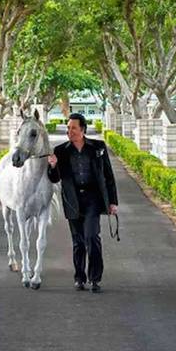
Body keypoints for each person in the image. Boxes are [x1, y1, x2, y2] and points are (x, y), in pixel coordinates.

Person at [47, 113, 118, 293]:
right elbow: (54, 179)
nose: (69, 131)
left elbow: (109, 177)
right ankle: (80, 277)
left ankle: (95, 278)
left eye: (73, 128)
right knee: (78, 240)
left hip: (93, 197)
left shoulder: (98, 147)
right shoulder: (61, 150)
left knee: (92, 236)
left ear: (83, 129)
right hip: (72, 199)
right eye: (68, 128)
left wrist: (112, 202)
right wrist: (53, 166)